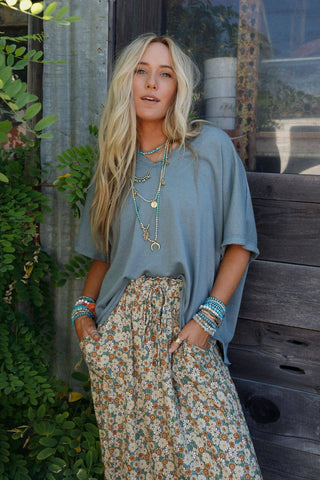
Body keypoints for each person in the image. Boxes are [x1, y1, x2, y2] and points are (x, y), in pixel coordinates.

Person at [72, 33, 263, 480]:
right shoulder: (112, 165)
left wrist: (207, 320)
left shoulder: (211, 149)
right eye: (141, 71)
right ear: (126, 82)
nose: (151, 84)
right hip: (120, 341)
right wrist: (83, 317)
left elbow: (241, 244)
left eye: (165, 74)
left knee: (230, 468)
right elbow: (102, 254)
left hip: (187, 330)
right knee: (140, 471)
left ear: (178, 88)